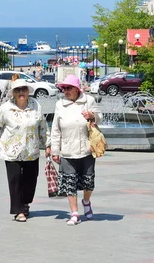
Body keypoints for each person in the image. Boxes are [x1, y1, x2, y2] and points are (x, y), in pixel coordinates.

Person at [0, 78, 49, 223]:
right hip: (12, 152)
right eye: (17, 90)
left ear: (28, 91)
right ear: (13, 93)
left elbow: (42, 126)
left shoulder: (36, 105)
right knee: (15, 180)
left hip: (31, 150)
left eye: (24, 89)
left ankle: (25, 203)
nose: (21, 92)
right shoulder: (5, 108)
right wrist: (5, 140)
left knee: (30, 180)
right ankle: (18, 211)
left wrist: (47, 144)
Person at [51, 74, 102, 226]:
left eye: (69, 88)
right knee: (69, 182)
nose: (65, 91)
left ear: (77, 89)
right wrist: (55, 150)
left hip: (86, 149)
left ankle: (86, 201)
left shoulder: (89, 101)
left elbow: (100, 116)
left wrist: (92, 116)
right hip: (67, 150)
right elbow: (55, 129)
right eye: (63, 88)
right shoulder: (60, 104)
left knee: (88, 182)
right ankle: (74, 213)